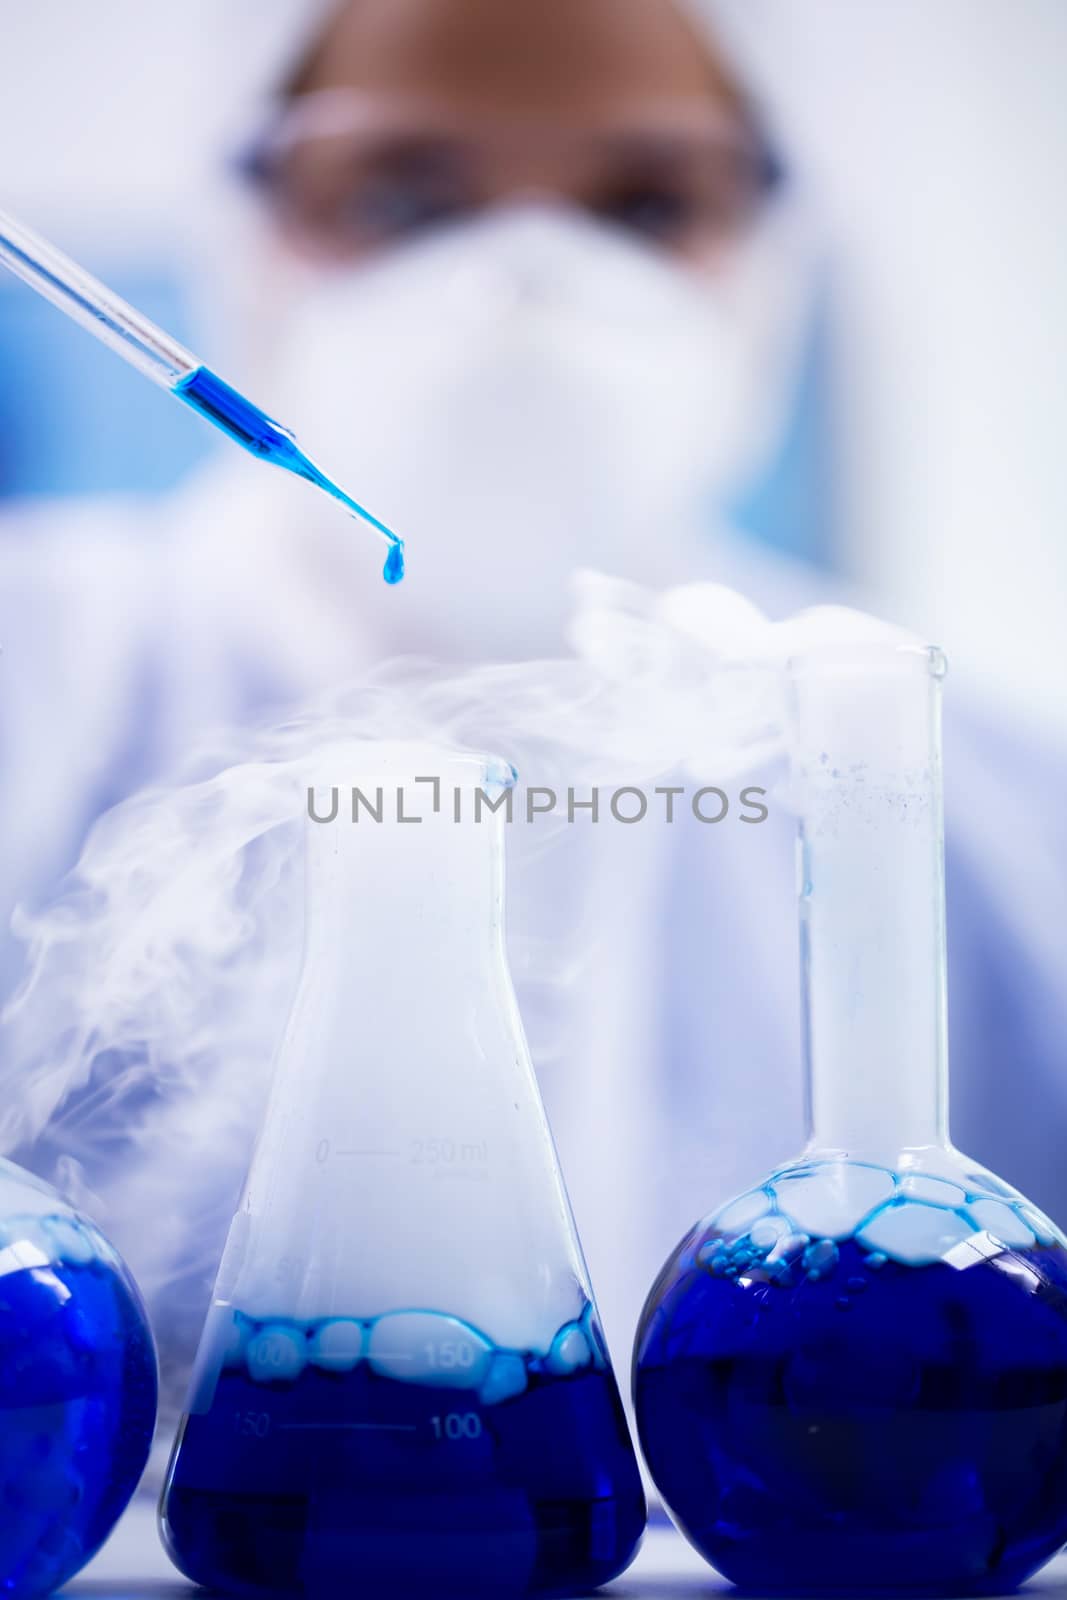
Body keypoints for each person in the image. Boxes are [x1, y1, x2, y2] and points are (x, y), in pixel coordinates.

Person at [3, 0, 1066, 1393]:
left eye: (644, 201)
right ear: (238, 235)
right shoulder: (36, 672)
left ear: (769, 253)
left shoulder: (975, 790)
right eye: (396, 191)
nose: (526, 283)